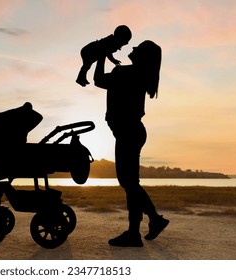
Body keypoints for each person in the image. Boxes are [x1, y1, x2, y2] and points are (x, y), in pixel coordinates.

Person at [93, 40, 169, 247]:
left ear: (143, 56)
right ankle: (152, 221)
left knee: (129, 183)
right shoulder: (140, 75)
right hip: (132, 132)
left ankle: (137, 231)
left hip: (128, 133)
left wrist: (100, 55)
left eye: (137, 48)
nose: (132, 49)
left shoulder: (125, 73)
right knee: (130, 183)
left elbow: (98, 79)